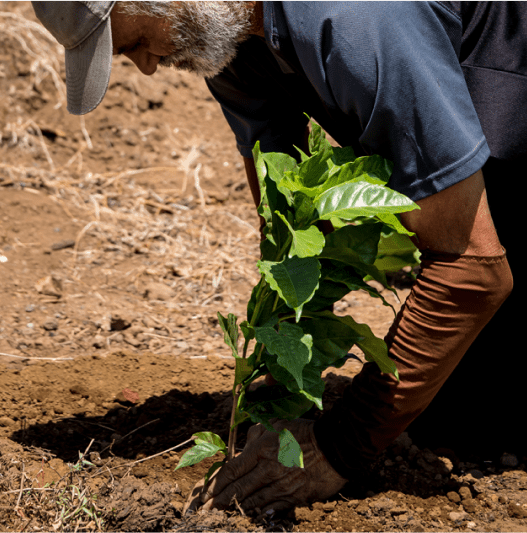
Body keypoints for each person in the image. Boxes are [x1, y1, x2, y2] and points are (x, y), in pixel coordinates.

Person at [31, 0, 523, 517]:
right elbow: (286, 214)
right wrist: (280, 384)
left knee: (474, 426)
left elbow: (473, 271)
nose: (148, 66)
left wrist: (338, 447)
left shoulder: (353, 18)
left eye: (132, 44)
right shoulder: (227, 36)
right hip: (477, 120)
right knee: (446, 417)